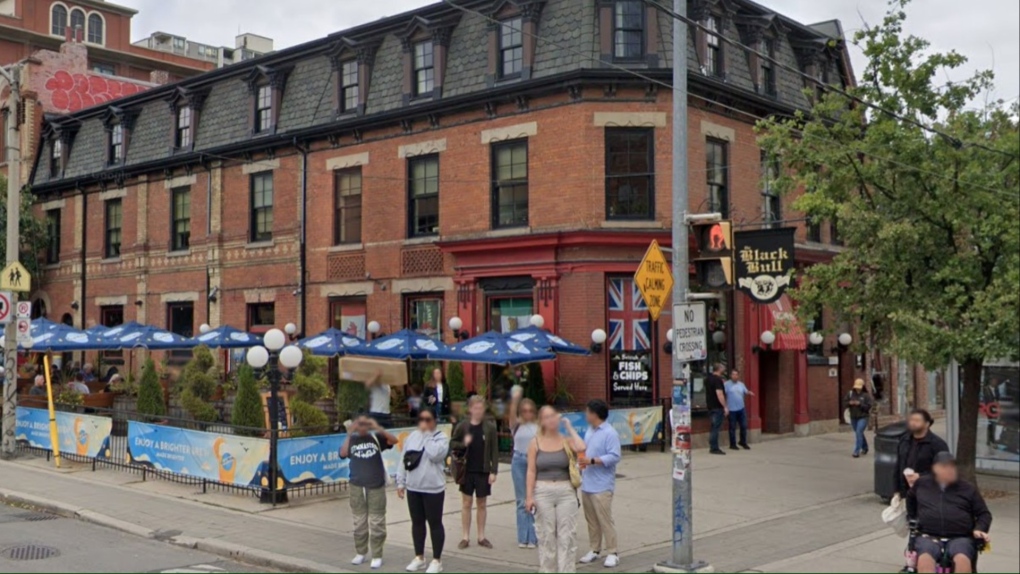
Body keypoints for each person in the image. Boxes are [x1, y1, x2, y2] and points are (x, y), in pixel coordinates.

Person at [907, 452, 992, 574]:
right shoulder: (922, 484)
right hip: (929, 535)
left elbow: (984, 514)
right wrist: (913, 518)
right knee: (925, 560)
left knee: (962, 560)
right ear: (935, 469)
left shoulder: (967, 488)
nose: (950, 470)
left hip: (960, 536)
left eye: (952, 466)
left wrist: (980, 528)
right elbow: (911, 498)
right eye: (944, 467)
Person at [526, 406, 586, 573]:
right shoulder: (535, 442)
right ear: (541, 421)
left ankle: (566, 570)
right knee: (546, 536)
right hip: (543, 490)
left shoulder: (566, 440)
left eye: (553, 416)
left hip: (565, 490)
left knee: (567, 536)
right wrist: (529, 496)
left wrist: (568, 426)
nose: (551, 420)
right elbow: (531, 470)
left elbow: (581, 447)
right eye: (546, 417)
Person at [340, 414, 399, 569]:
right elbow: (343, 453)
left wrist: (379, 428)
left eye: (365, 424)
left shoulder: (376, 437)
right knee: (359, 521)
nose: (362, 427)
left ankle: (377, 554)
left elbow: (394, 440)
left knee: (377, 521)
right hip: (357, 486)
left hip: (376, 485)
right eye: (359, 424)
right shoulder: (352, 439)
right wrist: (349, 434)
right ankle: (361, 552)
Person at [396, 407, 449, 574]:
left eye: (428, 420)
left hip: (433, 488)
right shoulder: (412, 437)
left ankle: (437, 560)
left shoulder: (441, 438)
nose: (424, 423)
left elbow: (435, 455)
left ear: (434, 421)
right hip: (414, 487)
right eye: (422, 420)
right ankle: (419, 557)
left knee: (434, 523)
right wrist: (400, 482)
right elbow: (404, 459)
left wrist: (427, 436)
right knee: (417, 523)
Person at [578, 399, 622, 568]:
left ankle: (613, 551)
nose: (586, 415)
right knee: (591, 520)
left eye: (588, 412)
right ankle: (594, 549)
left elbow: (615, 456)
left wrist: (594, 460)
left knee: (605, 519)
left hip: (602, 485)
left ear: (595, 414)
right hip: (587, 482)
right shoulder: (590, 430)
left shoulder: (610, 433)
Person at [450, 396, 498, 549]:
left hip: (483, 470)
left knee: (482, 503)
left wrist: (493, 470)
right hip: (467, 470)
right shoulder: (463, 426)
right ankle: (465, 537)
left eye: (481, 408)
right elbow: (452, 443)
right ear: (470, 409)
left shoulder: (489, 427)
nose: (478, 411)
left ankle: (481, 536)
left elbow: (494, 451)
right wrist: (464, 443)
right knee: (466, 503)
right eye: (475, 408)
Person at [508, 386, 539, 549]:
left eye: (530, 411)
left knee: (533, 498)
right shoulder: (516, 425)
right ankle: (523, 537)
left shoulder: (538, 426)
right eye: (524, 410)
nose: (527, 413)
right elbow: (511, 415)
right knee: (521, 500)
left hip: (534, 461)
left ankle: (534, 537)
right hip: (519, 459)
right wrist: (515, 399)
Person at [897, 409, 950, 497]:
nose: (913, 423)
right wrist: (896, 491)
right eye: (911, 420)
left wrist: (920, 476)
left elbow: (944, 470)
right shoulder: (905, 440)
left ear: (927, 424)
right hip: (907, 492)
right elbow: (898, 465)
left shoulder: (937, 444)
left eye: (917, 420)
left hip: (929, 492)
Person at [724, 370, 753, 450]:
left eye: (736, 375)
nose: (735, 376)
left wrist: (749, 393)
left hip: (741, 408)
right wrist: (725, 407)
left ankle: (743, 442)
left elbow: (745, 391)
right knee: (732, 427)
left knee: (744, 426)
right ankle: (732, 444)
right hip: (732, 409)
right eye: (733, 374)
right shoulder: (726, 384)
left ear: (738, 376)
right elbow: (723, 395)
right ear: (730, 375)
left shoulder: (741, 384)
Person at [705, 363, 728, 455]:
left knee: (713, 427)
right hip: (717, 407)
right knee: (715, 428)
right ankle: (714, 447)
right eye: (723, 368)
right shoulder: (718, 380)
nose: (724, 369)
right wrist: (725, 406)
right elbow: (719, 394)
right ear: (719, 369)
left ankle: (712, 445)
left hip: (710, 406)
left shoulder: (708, 379)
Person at [846, 379, 872, 457]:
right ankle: (865, 447)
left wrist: (860, 404)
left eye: (859, 387)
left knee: (858, 431)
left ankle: (856, 451)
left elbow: (868, 406)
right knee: (859, 433)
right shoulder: (850, 394)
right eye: (856, 387)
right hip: (853, 417)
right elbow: (845, 403)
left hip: (863, 417)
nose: (858, 389)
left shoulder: (866, 395)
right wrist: (849, 403)